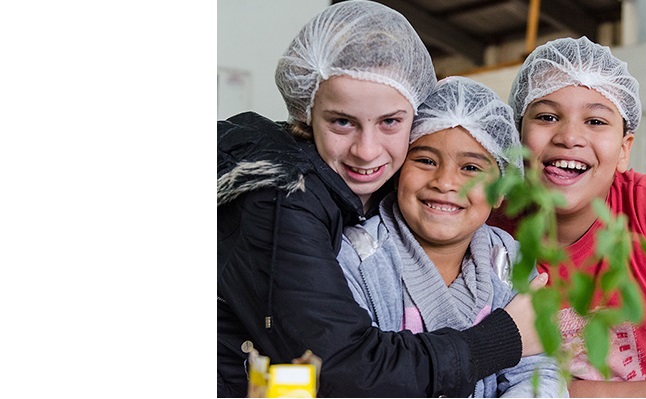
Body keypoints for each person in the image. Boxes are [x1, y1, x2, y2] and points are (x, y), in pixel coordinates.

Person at [217, 2, 542, 397]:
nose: (367, 151)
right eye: (342, 121)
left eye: (390, 122)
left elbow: (536, 372)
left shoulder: (355, 192)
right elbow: (341, 371)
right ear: (306, 110)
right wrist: (503, 339)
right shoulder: (281, 201)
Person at [487, 36, 646, 397]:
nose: (570, 136)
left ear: (624, 150)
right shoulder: (487, 225)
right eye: (546, 116)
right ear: (517, 136)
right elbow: (471, 375)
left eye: (596, 120)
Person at [337, 76, 567, 398]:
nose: (445, 182)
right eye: (426, 161)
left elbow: (537, 372)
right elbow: (355, 375)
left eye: (471, 168)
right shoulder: (358, 259)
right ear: (398, 169)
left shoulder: (509, 262)